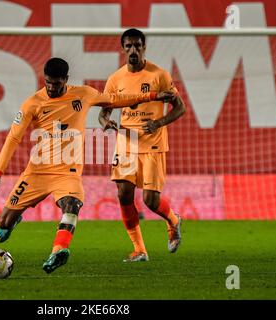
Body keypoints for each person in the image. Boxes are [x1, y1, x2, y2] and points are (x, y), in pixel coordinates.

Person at [0, 57, 172, 274]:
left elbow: (114, 98)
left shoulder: (83, 94)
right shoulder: (32, 104)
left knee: (72, 204)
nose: (51, 87)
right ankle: (15, 218)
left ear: (65, 79)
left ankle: (58, 251)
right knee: (3, 223)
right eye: (48, 82)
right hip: (37, 171)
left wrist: (151, 95)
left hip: (68, 173)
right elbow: (13, 139)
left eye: (56, 83)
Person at [98, 28, 186, 262]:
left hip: (152, 146)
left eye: (138, 45)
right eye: (129, 46)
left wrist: (159, 122)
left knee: (150, 201)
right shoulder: (115, 79)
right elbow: (103, 112)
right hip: (126, 144)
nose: (133, 50)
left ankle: (173, 220)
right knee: (123, 194)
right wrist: (106, 122)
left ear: (144, 47)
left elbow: (180, 107)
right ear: (122, 48)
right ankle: (140, 250)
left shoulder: (159, 75)